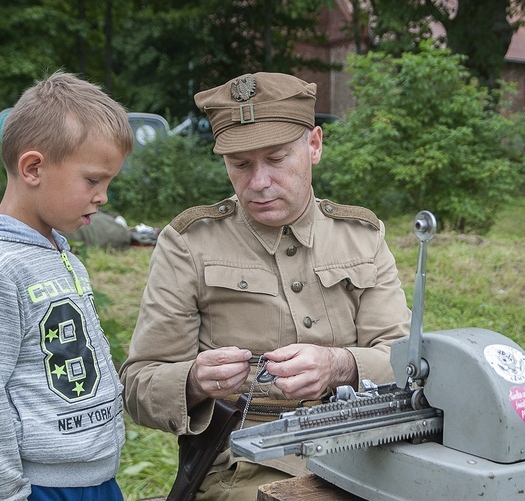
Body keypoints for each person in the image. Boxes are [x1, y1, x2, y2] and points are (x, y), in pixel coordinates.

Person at [119, 72, 411, 500]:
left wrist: (339, 365)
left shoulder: (361, 236)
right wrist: (196, 380)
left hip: (363, 445)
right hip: (246, 462)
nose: (258, 182)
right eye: (240, 164)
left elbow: (405, 362)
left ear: (314, 145)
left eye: (276, 159)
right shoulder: (189, 243)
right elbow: (139, 385)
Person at [0, 71, 134, 500]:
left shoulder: (58, 251)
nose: (103, 197)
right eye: (92, 180)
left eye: (108, 182)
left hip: (96, 480)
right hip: (41, 489)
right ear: (33, 167)